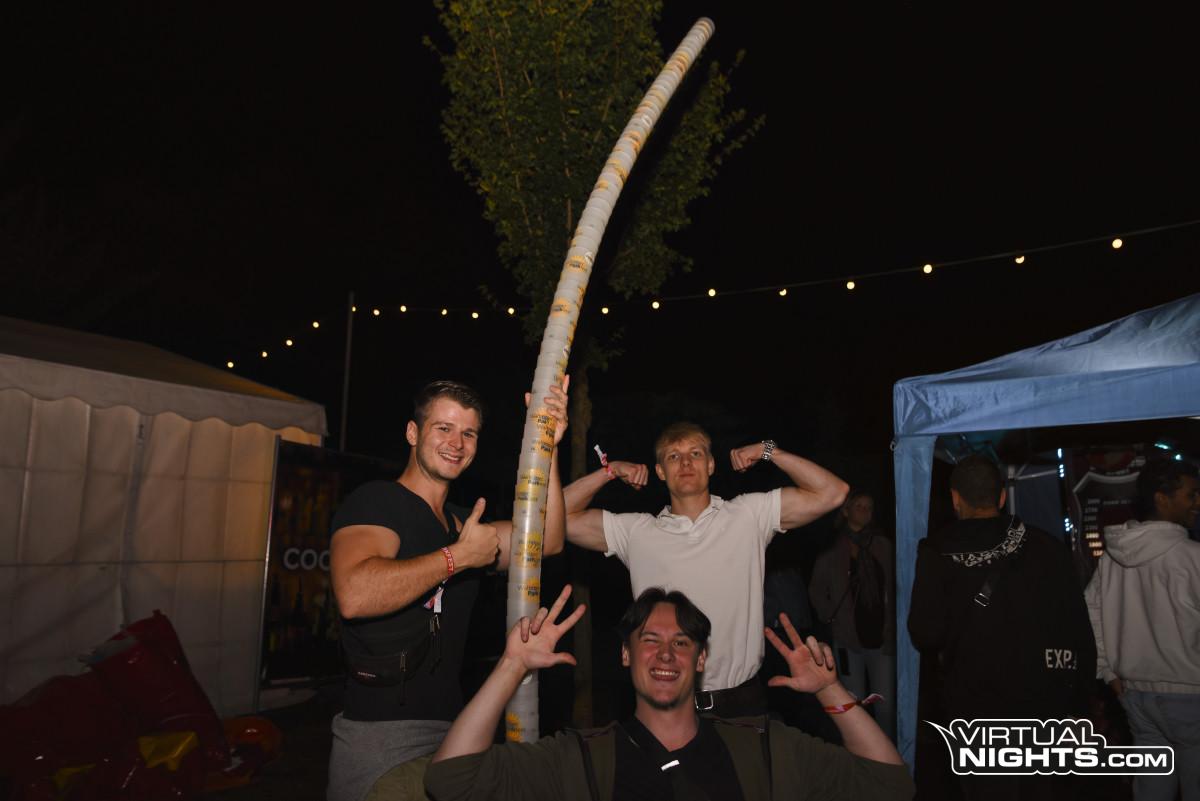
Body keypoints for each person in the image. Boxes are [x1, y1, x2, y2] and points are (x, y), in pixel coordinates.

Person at [424, 585, 915, 801]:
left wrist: (829, 688)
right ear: (625, 655)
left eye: (682, 643)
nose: (665, 654)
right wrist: (511, 667)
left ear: (700, 660)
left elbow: (891, 785)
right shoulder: (581, 759)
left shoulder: (767, 747)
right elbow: (451, 781)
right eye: (650, 641)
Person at [326, 379, 569, 801]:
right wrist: (458, 557)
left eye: (468, 433)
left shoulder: (463, 523)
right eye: (443, 428)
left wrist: (547, 445)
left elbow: (547, 540)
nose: (457, 443)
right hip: (382, 741)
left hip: (455, 732)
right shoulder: (377, 501)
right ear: (413, 433)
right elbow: (354, 594)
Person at [565, 422, 848, 717]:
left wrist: (768, 451)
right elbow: (556, 517)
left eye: (696, 453)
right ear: (660, 471)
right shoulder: (636, 532)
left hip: (741, 704)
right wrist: (609, 471)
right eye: (674, 456)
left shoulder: (748, 515)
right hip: (665, 705)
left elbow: (833, 492)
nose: (686, 462)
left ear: (711, 465)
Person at [908, 454, 1096, 801]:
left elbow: (925, 633)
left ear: (955, 499)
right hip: (1043, 700)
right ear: (1002, 496)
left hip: (976, 704)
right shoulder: (1047, 546)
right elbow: (1078, 628)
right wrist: (1080, 702)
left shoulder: (937, 551)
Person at [1084, 458, 1200, 801]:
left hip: (1136, 696)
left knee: (1152, 788)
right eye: (1191, 494)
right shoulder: (1193, 557)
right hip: (1190, 694)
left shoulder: (1111, 558)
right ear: (1162, 499)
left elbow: (1090, 616)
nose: (1198, 502)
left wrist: (1108, 673)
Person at [809, 489, 896, 741]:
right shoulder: (833, 549)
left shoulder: (883, 546)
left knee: (885, 706)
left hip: (882, 638)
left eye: (869, 507)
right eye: (859, 506)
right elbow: (816, 589)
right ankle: (859, 754)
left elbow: (896, 585)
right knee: (853, 704)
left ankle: (887, 754)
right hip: (848, 639)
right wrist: (831, 616)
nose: (865, 512)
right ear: (846, 511)